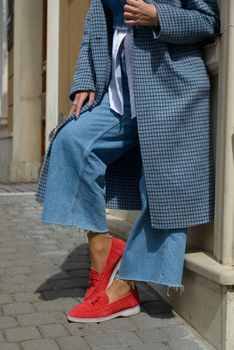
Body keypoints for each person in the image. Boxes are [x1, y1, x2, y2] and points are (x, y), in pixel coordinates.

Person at [35, 0, 220, 323]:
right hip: (118, 88)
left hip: (170, 86)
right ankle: (104, 253)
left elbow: (207, 20)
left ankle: (121, 289)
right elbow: (96, 22)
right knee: (71, 142)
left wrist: (158, 16)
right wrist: (85, 79)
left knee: (164, 191)